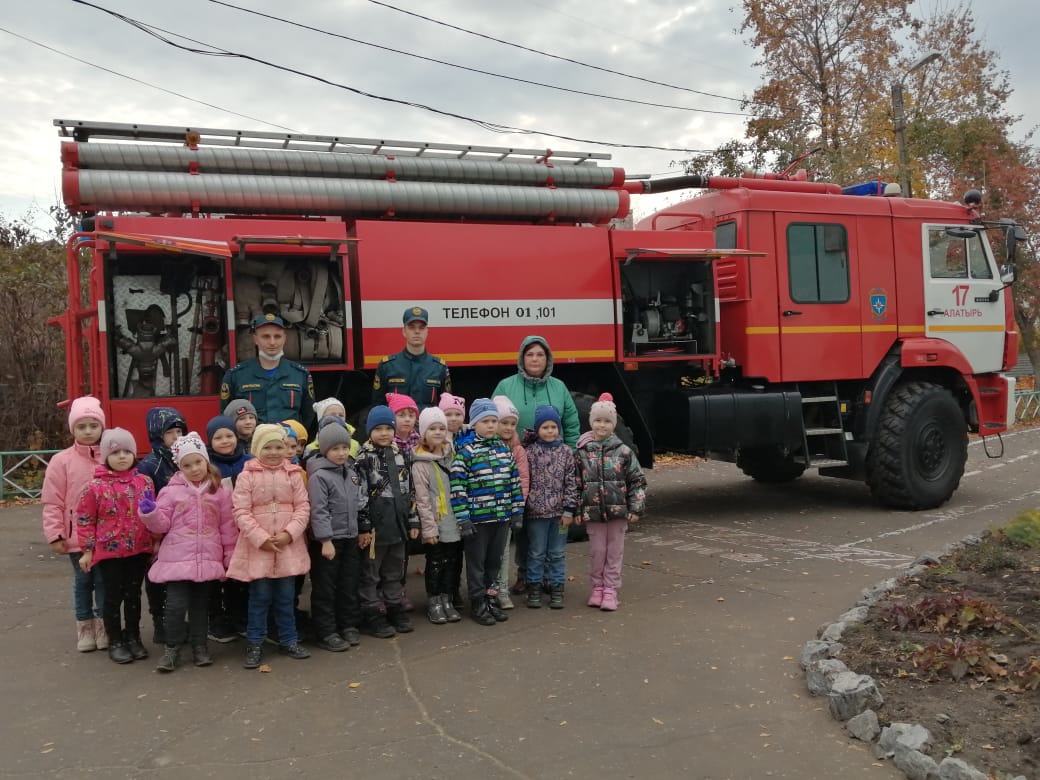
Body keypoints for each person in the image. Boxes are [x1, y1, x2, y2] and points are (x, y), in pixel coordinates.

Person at [139, 433, 237, 672]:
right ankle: (171, 648)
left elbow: (227, 527)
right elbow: (161, 525)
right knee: (174, 605)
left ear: (206, 461)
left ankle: (200, 647)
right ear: (179, 467)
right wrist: (150, 513)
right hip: (176, 560)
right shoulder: (171, 492)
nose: (194, 469)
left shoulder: (219, 492)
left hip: (206, 560)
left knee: (200, 606)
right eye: (187, 465)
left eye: (198, 462)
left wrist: (230, 557)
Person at [228, 424, 312, 669]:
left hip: (287, 547)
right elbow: (240, 511)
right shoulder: (247, 476)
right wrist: (260, 538)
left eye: (279, 447)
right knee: (259, 598)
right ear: (256, 449)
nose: (274, 452)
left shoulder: (294, 474)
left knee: (286, 598)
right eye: (268, 447)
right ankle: (255, 643)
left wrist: (289, 534)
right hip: (258, 548)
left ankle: (289, 640)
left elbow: (303, 507)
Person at [75, 428, 155, 665]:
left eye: (126, 451)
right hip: (109, 552)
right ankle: (115, 640)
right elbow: (85, 520)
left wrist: (155, 540)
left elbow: (153, 513)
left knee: (133, 595)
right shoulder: (95, 487)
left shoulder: (144, 482)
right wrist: (87, 550)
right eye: (115, 452)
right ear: (106, 456)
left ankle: (133, 636)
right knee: (112, 597)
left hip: (139, 549)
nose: (122, 456)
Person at [41, 396, 108, 653]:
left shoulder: (110, 456)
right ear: (73, 429)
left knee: (104, 582)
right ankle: (85, 628)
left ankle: (104, 626)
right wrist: (55, 533)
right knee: (83, 582)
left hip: (106, 536)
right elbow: (52, 501)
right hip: (76, 536)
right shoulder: (62, 461)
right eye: (82, 426)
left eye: (93, 425)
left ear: (102, 427)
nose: (88, 431)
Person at [449, 399, 524, 626]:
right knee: (477, 565)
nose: (491, 426)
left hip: (501, 518)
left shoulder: (504, 449)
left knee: (494, 564)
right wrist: (463, 519)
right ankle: (478, 603)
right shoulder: (466, 452)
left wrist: (517, 511)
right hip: (478, 521)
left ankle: (491, 600)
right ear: (474, 424)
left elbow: (514, 482)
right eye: (486, 421)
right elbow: (458, 487)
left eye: (494, 421)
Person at [576, 394, 647, 612]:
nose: (602, 425)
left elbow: (637, 481)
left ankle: (611, 590)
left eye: (607, 421)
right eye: (598, 420)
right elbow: (575, 483)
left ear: (613, 424)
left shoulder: (624, 452)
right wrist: (576, 509)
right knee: (597, 551)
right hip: (593, 513)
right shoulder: (581, 452)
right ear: (591, 422)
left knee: (614, 552)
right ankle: (597, 587)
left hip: (618, 513)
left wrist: (636, 508)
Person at [354, 406, 420, 638]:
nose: (384, 433)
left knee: (394, 570)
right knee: (371, 573)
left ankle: (394, 607)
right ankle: (371, 612)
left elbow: (409, 490)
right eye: (378, 429)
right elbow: (359, 496)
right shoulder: (363, 458)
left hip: (399, 523)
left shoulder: (401, 454)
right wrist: (363, 527)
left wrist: (413, 521)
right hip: (375, 528)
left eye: (388, 428)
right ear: (370, 430)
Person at [307, 422, 368, 652]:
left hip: (349, 537)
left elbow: (359, 503)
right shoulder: (319, 476)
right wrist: (325, 540)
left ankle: (348, 624)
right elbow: (319, 510)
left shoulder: (351, 473)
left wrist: (362, 529)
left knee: (349, 582)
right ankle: (326, 630)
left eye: (345, 447)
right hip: (329, 542)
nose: (342, 453)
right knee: (326, 586)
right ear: (324, 450)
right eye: (335, 449)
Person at [137, 406, 187, 647]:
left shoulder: (184, 458)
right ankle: (160, 623)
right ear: (158, 434)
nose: (177, 438)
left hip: (180, 530)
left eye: (180, 432)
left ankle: (175, 622)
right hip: (158, 531)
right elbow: (146, 503)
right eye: (171, 433)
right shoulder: (151, 464)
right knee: (157, 580)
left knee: (177, 581)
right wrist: (154, 537)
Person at [411, 407, 463, 625]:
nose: (438, 432)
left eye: (441, 428)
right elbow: (422, 500)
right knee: (435, 562)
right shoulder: (420, 463)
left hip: (455, 519)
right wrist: (429, 529)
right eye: (432, 428)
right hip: (435, 521)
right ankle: (434, 601)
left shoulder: (452, 454)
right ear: (423, 432)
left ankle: (447, 598)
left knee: (453, 562)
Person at [523, 406, 578, 610]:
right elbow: (525, 481)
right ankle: (534, 588)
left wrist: (569, 510)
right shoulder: (530, 452)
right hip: (536, 514)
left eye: (553, 426)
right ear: (538, 429)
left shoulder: (566, 452)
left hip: (559, 515)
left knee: (557, 553)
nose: (550, 431)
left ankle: (557, 588)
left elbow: (571, 483)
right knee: (536, 552)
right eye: (545, 427)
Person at [221, 313, 316, 428]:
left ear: (285, 338)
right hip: (252, 443)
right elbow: (226, 415)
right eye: (265, 336)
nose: (272, 342)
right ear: (255, 339)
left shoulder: (301, 374)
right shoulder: (235, 375)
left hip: (288, 442)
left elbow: (308, 415)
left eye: (277, 336)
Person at [204, 415, 251, 641]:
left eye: (229, 435)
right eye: (218, 437)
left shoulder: (249, 461)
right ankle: (216, 620)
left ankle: (239, 617)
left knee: (239, 576)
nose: (225, 441)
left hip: (242, 529)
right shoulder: (206, 466)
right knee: (215, 576)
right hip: (214, 529)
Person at [492, 336, 580, 446]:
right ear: (522, 358)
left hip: (555, 459)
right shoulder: (505, 386)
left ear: (547, 358)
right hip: (514, 459)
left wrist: (572, 453)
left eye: (540, 354)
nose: (534, 359)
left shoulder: (559, 387)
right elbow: (491, 422)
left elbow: (571, 425)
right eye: (529, 354)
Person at [490, 395, 530, 610]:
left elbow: (523, 480)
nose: (508, 427)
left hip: (507, 509)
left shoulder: (517, 450)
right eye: (503, 423)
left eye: (512, 424)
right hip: (487, 510)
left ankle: (502, 590)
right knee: (489, 553)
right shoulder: (485, 447)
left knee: (504, 552)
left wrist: (518, 507)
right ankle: (489, 590)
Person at [372, 306, 450, 410]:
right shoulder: (387, 366)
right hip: (398, 425)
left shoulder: (439, 367)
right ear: (404, 331)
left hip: (427, 425)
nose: (417, 331)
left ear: (427, 331)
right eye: (412, 327)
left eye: (421, 328)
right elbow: (378, 406)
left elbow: (446, 406)